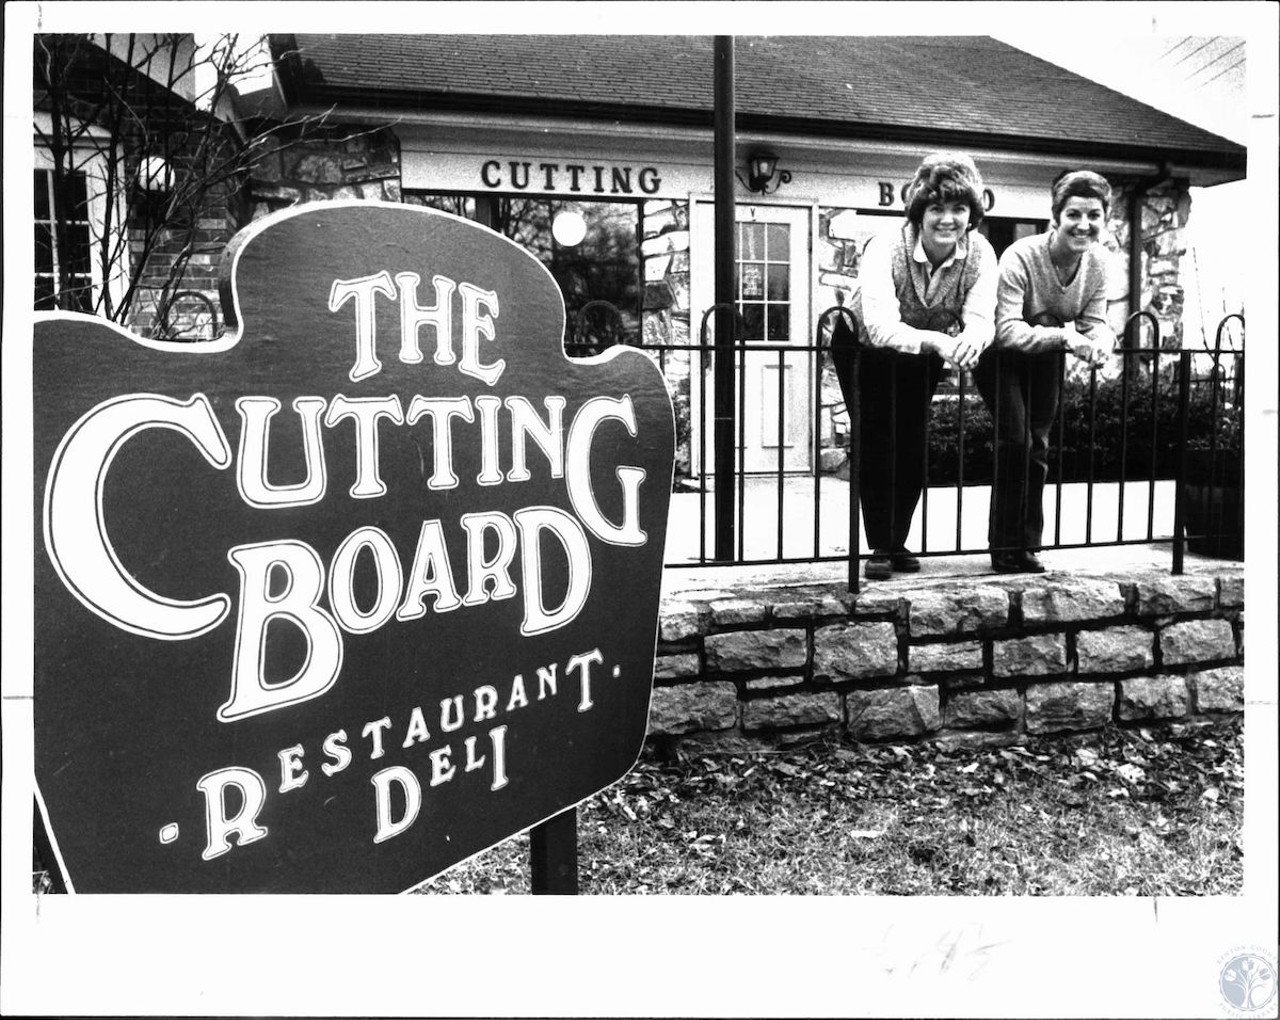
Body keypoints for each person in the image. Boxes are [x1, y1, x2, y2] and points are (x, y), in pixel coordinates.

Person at [834, 152, 997, 580]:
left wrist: (970, 344)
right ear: (919, 211)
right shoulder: (886, 246)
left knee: (912, 441)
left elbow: (981, 319)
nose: (948, 219)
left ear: (971, 213)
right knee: (877, 438)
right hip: (866, 345)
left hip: (925, 347)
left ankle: (897, 538)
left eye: (959, 208)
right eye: (937, 208)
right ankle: (879, 546)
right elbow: (882, 327)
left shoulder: (980, 253)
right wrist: (943, 342)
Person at [975, 169, 1115, 573]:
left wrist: (1102, 343)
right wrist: (1067, 340)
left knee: (1038, 445)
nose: (1083, 224)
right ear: (1056, 216)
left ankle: (1028, 545)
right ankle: (1003, 547)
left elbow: (1094, 321)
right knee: (1015, 440)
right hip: (1000, 355)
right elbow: (1006, 329)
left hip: (1046, 353)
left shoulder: (1100, 264)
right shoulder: (1022, 255)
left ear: (1105, 220)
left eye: (1093, 216)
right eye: (1073, 214)